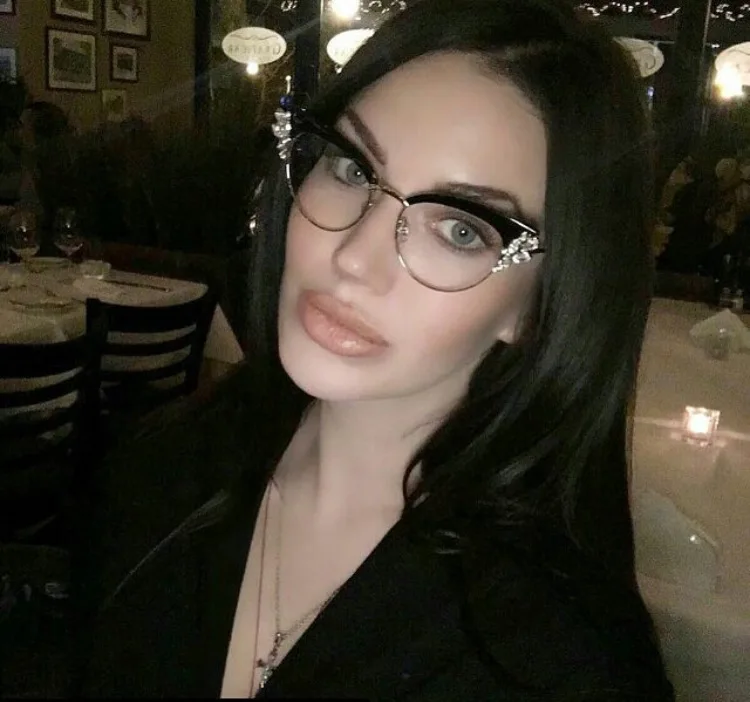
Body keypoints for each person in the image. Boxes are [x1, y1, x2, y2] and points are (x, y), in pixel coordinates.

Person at [74, 0, 674, 698]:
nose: (354, 258)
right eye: (353, 169)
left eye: (460, 230)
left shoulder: (557, 659)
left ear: (542, 306)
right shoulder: (160, 473)